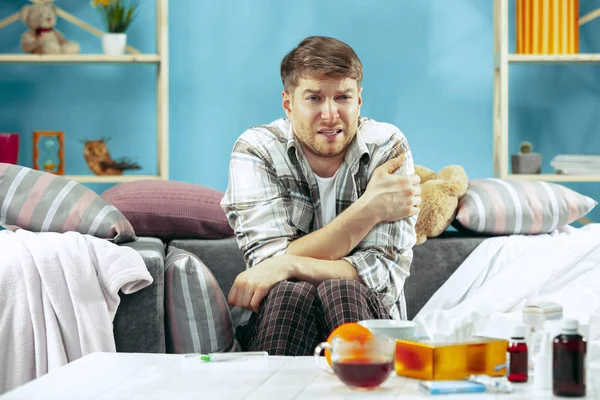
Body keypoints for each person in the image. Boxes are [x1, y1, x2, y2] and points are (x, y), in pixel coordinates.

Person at [220, 35, 421, 356]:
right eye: (314, 98)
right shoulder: (256, 149)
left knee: (342, 290)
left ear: (359, 100)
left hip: (363, 316)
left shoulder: (386, 146)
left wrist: (288, 263)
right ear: (288, 103)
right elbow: (266, 268)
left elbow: (380, 276)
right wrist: (369, 209)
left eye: (343, 97)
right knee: (289, 294)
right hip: (279, 317)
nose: (330, 114)